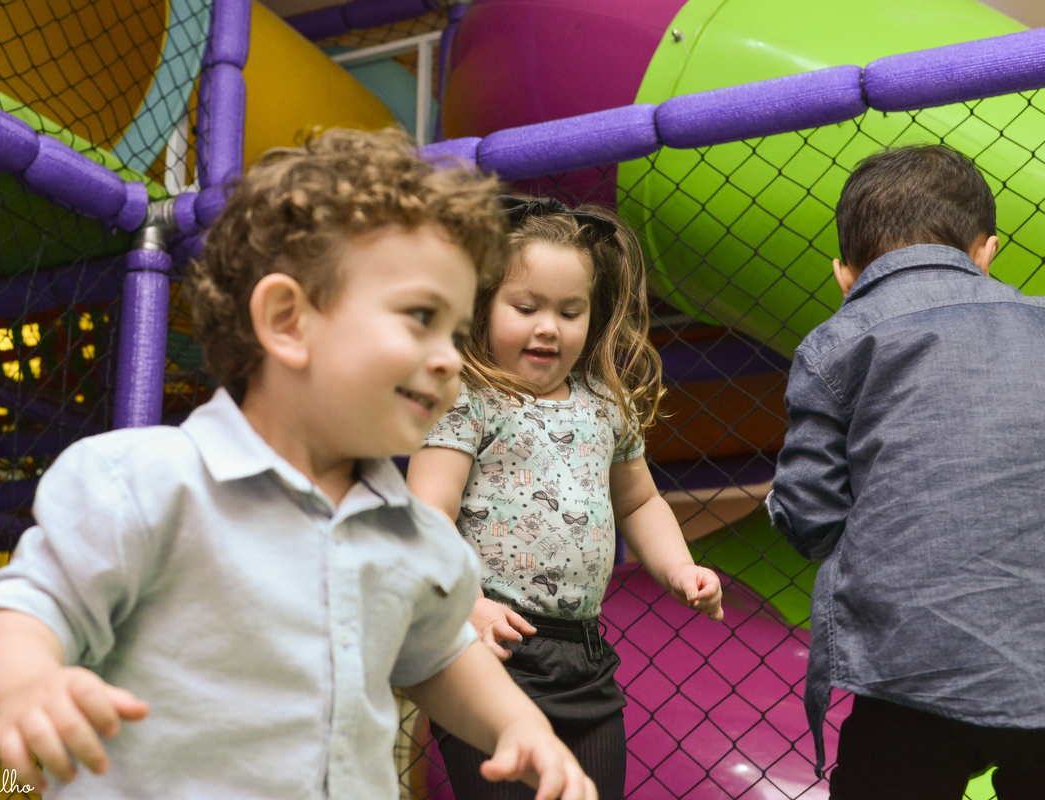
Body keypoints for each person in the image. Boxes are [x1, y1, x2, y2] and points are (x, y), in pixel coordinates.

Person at [0, 129, 599, 800]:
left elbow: (442, 657)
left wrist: (520, 723)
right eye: (419, 318)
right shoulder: (148, 484)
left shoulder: (418, 540)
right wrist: (29, 683)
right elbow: (20, 609)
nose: (450, 359)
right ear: (288, 320)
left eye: (456, 332)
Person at [406, 195, 724, 800]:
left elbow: (639, 504)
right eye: (525, 307)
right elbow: (426, 511)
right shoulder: (467, 398)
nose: (548, 325)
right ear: (482, 306)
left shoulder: (605, 404)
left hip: (583, 660)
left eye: (569, 311)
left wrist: (681, 568)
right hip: (490, 652)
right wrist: (466, 604)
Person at [766, 143, 1045, 798]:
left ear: (844, 273)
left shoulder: (839, 341)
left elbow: (808, 511)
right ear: (987, 252)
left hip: (909, 665)